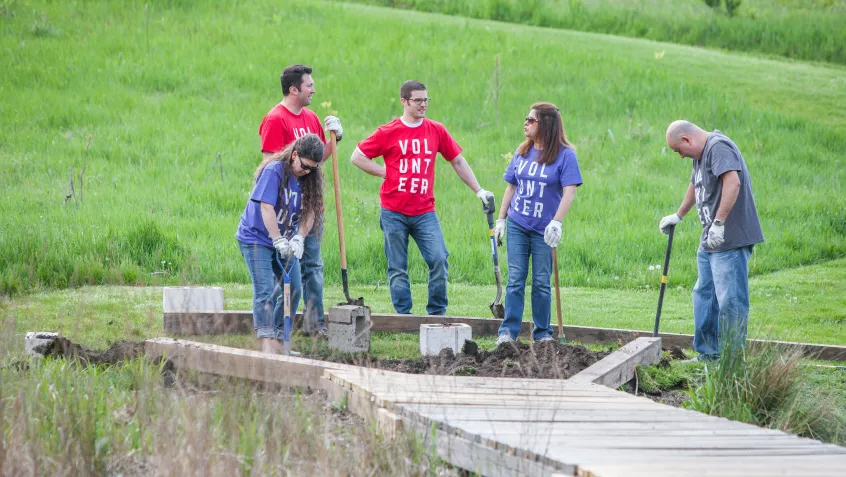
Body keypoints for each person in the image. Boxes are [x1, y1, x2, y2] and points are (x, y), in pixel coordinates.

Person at [350, 80, 495, 315]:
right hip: (393, 211)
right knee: (397, 267)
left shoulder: (436, 130)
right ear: (404, 102)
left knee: (438, 259)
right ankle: (404, 316)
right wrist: (385, 172)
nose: (423, 105)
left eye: (426, 100)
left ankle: (437, 313)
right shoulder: (388, 131)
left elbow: (457, 160)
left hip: (425, 212)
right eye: (418, 100)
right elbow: (357, 157)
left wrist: (479, 190)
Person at [659, 120, 764, 361]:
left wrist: (719, 223)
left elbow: (732, 182)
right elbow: (695, 184)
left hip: (729, 239)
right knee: (704, 294)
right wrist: (679, 215)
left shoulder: (718, 147)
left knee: (731, 301)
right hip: (710, 239)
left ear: (687, 140)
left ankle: (731, 361)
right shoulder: (700, 154)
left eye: (678, 150)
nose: (680, 156)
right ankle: (709, 355)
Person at [259, 64, 343, 338]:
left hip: (310, 206)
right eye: (309, 85)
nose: (314, 89)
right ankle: (273, 326)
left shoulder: (312, 117)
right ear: (294, 89)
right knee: (289, 269)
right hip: (288, 211)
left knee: (314, 266)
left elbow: (315, 162)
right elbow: (270, 167)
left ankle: (314, 325)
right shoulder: (276, 120)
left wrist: (334, 140)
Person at [493, 103, 582, 345]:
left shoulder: (565, 155)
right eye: (527, 118)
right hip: (518, 224)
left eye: (531, 120)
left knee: (542, 281)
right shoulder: (522, 151)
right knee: (516, 278)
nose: (526, 122)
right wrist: (501, 219)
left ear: (546, 124)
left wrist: (557, 222)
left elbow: (569, 192)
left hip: (544, 229)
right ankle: (508, 332)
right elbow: (511, 186)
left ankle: (542, 334)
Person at [236, 134, 325, 354]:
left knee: (293, 289)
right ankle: (266, 342)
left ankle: (279, 338)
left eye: (312, 169)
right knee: (266, 289)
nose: (307, 171)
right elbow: (266, 207)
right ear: (295, 155)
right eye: (304, 166)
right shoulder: (274, 170)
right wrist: (277, 239)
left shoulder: (309, 178)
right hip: (256, 238)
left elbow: (310, 211)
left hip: (285, 240)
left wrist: (299, 237)